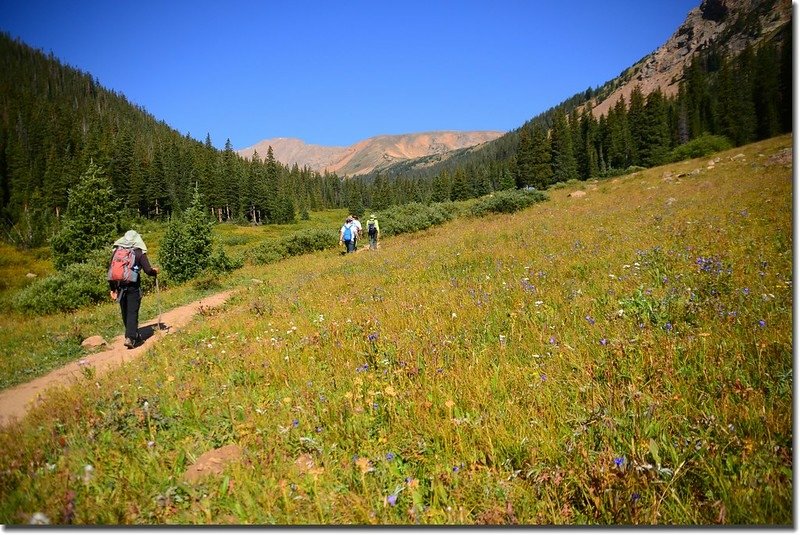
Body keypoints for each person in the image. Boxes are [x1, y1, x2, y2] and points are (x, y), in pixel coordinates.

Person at [108, 230, 159, 348]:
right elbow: (148, 270)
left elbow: (111, 270)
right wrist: (154, 271)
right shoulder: (139, 252)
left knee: (125, 311)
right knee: (132, 311)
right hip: (133, 286)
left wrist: (113, 289)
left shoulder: (117, 251)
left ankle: (132, 334)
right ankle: (130, 338)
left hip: (119, 285)